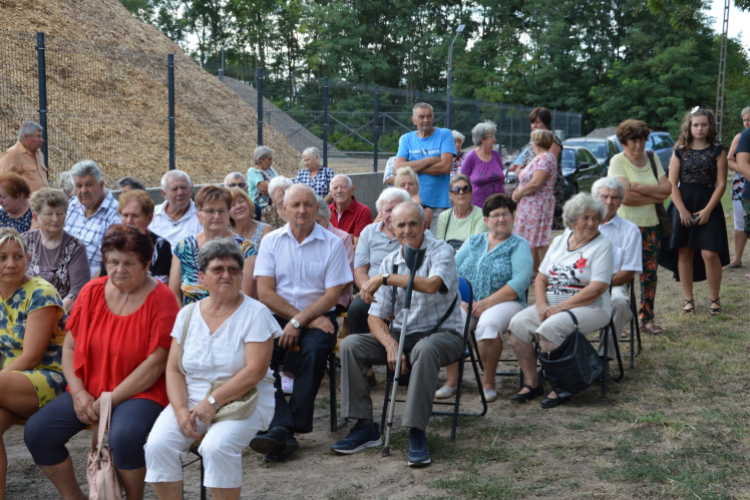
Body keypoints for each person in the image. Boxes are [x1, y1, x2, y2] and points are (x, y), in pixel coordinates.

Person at [24, 225, 179, 500]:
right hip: (90, 387)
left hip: (140, 392)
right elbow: (70, 346)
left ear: (146, 264)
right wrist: (79, 392)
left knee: (125, 437)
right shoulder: (92, 291)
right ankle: (75, 497)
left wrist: (110, 400)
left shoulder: (162, 298)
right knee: (38, 432)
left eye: (129, 262)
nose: (119, 269)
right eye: (113, 262)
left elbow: (155, 364)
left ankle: (132, 498)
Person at [144, 239, 279, 500]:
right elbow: (173, 369)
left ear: (241, 277)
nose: (226, 275)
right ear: (202, 278)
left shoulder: (256, 314)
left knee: (217, 447)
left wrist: (213, 402)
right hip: (191, 398)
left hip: (244, 399)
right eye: (218, 269)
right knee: (158, 446)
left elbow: (255, 372)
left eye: (233, 270)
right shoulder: (187, 314)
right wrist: (181, 410)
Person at [332, 202, 464, 467]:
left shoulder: (442, 250)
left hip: (443, 335)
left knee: (424, 350)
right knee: (351, 344)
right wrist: (390, 344)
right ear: (392, 227)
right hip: (402, 336)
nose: (407, 229)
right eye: (400, 224)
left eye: (413, 223)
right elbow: (374, 317)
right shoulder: (390, 260)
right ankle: (365, 426)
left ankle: (416, 431)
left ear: (425, 224)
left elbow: (431, 284)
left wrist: (385, 278)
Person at [250, 184, 352, 461]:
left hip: (319, 314)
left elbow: (333, 294)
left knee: (316, 349)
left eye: (308, 205)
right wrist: (297, 319)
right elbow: (265, 293)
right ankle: (284, 426)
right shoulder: (271, 242)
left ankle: (283, 427)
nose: (302, 210)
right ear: (284, 210)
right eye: (295, 205)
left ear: (317, 208)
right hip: (276, 314)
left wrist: (299, 321)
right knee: (259, 357)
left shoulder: (332, 243)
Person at [508, 194, 614, 408]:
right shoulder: (559, 241)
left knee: (550, 328)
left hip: (592, 307)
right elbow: (541, 277)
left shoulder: (603, 245)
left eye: (595, 218)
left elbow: (598, 288)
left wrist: (560, 308)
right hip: (552, 306)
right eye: (585, 218)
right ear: (572, 220)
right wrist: (541, 306)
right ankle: (532, 382)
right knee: (517, 325)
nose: (592, 223)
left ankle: (562, 386)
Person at [435, 194, 532, 403]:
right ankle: (452, 381)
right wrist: (458, 299)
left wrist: (487, 303)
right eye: (495, 215)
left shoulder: (519, 245)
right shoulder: (473, 241)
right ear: (486, 220)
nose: (501, 219)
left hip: (508, 303)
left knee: (487, 325)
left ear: (512, 217)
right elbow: (450, 269)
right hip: (468, 302)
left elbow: (520, 282)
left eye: (506, 214)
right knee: (452, 323)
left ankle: (488, 383)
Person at [0, 228, 67, 499]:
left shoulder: (41, 292)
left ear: (28, 258)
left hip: (52, 377)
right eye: (2, 257)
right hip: (13, 382)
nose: (10, 264)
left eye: (18, 256)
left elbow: (31, 357)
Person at [660, 108, 729, 316]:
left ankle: (715, 300)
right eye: (696, 125)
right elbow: (672, 183)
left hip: (709, 204)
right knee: (685, 251)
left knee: (710, 253)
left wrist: (708, 210)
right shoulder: (679, 150)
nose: (699, 128)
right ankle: (688, 300)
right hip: (683, 204)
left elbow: (721, 184)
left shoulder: (718, 150)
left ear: (710, 127)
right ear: (689, 127)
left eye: (704, 125)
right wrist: (681, 210)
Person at [607, 119, 674, 334]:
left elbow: (667, 189)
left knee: (650, 275)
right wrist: (654, 194)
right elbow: (624, 198)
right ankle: (620, 319)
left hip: (651, 226)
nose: (638, 146)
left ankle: (647, 319)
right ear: (623, 142)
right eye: (633, 141)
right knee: (621, 275)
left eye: (642, 140)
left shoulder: (652, 158)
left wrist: (636, 187)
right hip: (625, 228)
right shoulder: (617, 161)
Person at [170, 185, 257, 306]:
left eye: (222, 211)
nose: (216, 216)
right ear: (199, 217)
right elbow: (174, 295)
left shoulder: (245, 248)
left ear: (228, 215)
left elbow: (247, 297)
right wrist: (185, 321)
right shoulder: (184, 247)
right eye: (210, 211)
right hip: (190, 320)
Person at [349, 188, 413, 336]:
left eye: (397, 209)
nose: (392, 215)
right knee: (356, 310)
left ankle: (401, 353)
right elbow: (360, 271)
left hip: (407, 292)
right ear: (380, 212)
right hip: (375, 293)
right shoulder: (368, 232)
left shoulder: (415, 234)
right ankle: (364, 353)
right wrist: (376, 297)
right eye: (388, 210)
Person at [592, 177, 642, 351]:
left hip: (613, 286)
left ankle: (603, 359)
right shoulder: (578, 226)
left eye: (614, 197)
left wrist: (599, 286)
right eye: (604, 196)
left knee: (619, 302)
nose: (609, 202)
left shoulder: (630, 231)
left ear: (621, 202)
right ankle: (562, 361)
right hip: (578, 286)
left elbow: (629, 272)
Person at [24, 188, 90, 312]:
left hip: (61, 315)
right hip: (24, 311)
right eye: (49, 214)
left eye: (60, 213)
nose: (55, 219)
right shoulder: (24, 242)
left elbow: (77, 293)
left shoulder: (75, 247)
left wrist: (47, 314)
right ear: (35, 217)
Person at [394, 103, 456, 231]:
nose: (426, 120)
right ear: (414, 120)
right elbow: (398, 169)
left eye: (429, 116)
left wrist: (411, 167)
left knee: (436, 247)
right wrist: (431, 160)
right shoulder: (406, 139)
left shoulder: (445, 134)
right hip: (410, 204)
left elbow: (445, 167)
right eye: (421, 117)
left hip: (439, 205)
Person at [100, 190, 173, 284]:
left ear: (149, 218)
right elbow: (103, 279)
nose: (129, 221)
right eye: (125, 215)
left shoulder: (161, 246)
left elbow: (161, 285)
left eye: (135, 216)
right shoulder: (112, 243)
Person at [63, 160, 121, 277]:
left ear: (101, 185)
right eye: (79, 186)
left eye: (89, 185)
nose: (83, 191)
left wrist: (85, 290)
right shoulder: (72, 205)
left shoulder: (115, 214)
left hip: (91, 285)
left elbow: (111, 263)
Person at [512, 129, 558, 274]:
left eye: (532, 140)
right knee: (531, 239)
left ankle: (545, 272)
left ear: (536, 141)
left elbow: (536, 183)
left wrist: (519, 194)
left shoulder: (545, 158)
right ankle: (533, 270)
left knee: (538, 239)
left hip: (537, 204)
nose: (531, 142)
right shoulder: (539, 157)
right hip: (530, 205)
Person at [512, 108, 565, 229]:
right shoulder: (533, 139)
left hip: (546, 189)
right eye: (532, 122)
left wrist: (522, 172)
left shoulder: (553, 141)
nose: (534, 125)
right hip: (531, 192)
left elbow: (545, 165)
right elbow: (532, 162)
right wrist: (521, 167)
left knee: (546, 229)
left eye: (537, 122)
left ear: (546, 123)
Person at [316, 196, 355, 312]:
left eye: (317, 221)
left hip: (337, 295)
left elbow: (347, 278)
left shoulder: (342, 237)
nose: (314, 226)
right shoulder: (306, 237)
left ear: (327, 218)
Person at [149, 170, 202, 248]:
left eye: (184, 188)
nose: (180, 193)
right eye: (174, 189)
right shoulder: (152, 215)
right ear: (164, 193)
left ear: (191, 190)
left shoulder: (203, 214)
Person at [725, 106, 750, 270]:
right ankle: (737, 259)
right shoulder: (740, 137)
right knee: (739, 221)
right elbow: (729, 160)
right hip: (741, 182)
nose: (747, 123)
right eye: (745, 120)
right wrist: (742, 167)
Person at [459, 121, 505, 207]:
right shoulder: (471, 157)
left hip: (500, 205)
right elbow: (462, 181)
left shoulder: (496, 155)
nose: (495, 140)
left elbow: (501, 175)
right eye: (492, 136)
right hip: (479, 207)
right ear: (483, 140)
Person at [435, 175, 487, 251]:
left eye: (465, 189)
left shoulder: (481, 215)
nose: (461, 192)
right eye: (456, 190)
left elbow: (476, 248)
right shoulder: (443, 216)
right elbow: (439, 247)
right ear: (450, 195)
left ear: (471, 193)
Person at [0, 122, 49, 194]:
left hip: (42, 202)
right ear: (25, 137)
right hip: (24, 204)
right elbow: (2, 181)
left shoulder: (39, 154)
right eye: (38, 136)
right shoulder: (12, 154)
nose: (42, 140)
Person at [329, 174, 372, 247]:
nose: (339, 191)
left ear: (352, 189)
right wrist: (348, 237)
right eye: (335, 188)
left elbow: (359, 246)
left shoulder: (363, 211)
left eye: (343, 187)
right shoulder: (326, 211)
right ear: (330, 192)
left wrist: (332, 238)